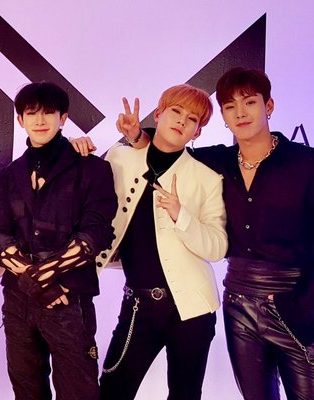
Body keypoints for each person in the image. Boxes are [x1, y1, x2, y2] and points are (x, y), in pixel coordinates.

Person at [97, 67, 314, 399]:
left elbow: (217, 244)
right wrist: (135, 137)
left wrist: (303, 304)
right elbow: (163, 150)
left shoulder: (298, 163)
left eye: (250, 102)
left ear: (268, 106)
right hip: (221, 304)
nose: (240, 113)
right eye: (230, 106)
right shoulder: (215, 161)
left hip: (279, 301)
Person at [93, 85, 227, 400]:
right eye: (176, 111)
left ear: (197, 132)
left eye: (192, 119)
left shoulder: (206, 178)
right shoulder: (120, 156)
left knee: (185, 394)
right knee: (111, 391)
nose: (181, 121)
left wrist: (182, 216)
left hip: (193, 309)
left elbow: (218, 247)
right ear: (159, 113)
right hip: (138, 304)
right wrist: (77, 145)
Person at [0, 81, 117, 399]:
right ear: (20, 120)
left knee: (79, 392)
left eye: (48, 112)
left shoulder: (93, 169)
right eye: (31, 113)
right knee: (27, 391)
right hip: (18, 301)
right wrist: (40, 284)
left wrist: (45, 277)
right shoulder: (8, 175)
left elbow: (96, 233)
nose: (40, 120)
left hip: (69, 296)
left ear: (63, 117)